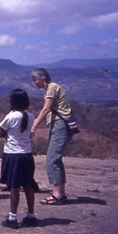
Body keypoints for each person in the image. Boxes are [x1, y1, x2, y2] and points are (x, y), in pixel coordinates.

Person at [31, 68, 73, 205]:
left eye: (36, 79)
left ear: (43, 78)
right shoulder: (51, 88)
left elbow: (46, 108)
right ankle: (60, 192)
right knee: (56, 160)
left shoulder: (52, 88)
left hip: (60, 124)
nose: (35, 83)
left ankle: (57, 194)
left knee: (52, 160)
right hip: (58, 125)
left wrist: (34, 125)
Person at [0, 89, 37, 229]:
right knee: (28, 185)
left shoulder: (11, 116)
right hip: (27, 154)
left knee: (14, 187)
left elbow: (1, 133)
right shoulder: (31, 116)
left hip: (13, 154)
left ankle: (12, 217)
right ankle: (31, 215)